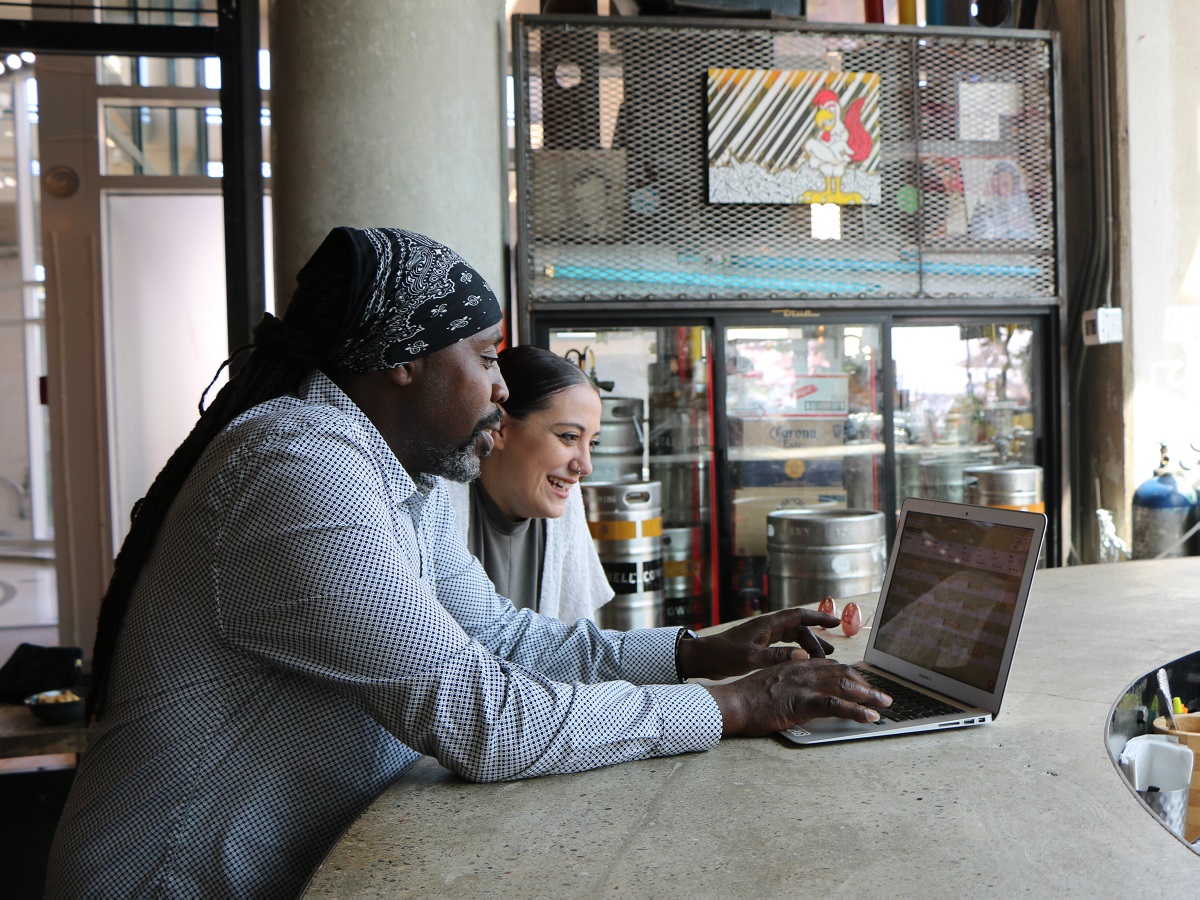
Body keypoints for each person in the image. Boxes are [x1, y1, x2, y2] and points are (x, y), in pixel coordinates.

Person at [46, 226, 890, 898]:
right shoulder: (298, 469)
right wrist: (730, 707)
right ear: (405, 358)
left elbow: (501, 639)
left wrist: (697, 652)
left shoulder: (393, 477)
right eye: (486, 357)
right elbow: (486, 717)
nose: (499, 386)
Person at [446, 344, 612, 623]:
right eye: (569, 437)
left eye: (592, 443)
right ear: (499, 428)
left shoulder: (564, 504)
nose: (585, 466)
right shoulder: (436, 502)